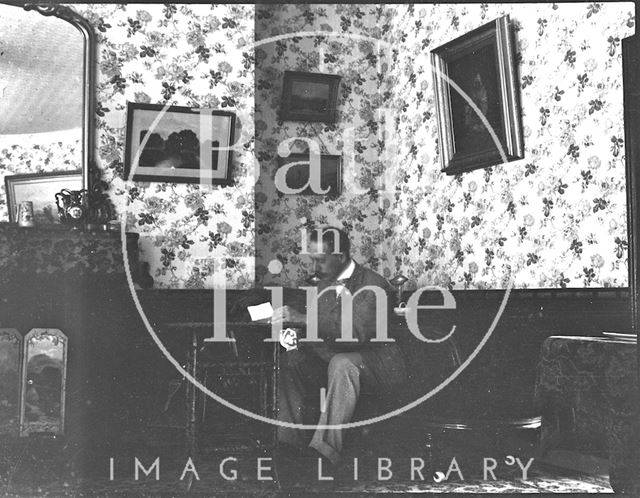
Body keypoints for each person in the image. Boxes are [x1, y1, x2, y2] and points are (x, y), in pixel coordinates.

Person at [272, 226, 407, 467]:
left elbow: (355, 335)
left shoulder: (374, 285)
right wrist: (296, 338)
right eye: (312, 260)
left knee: (342, 363)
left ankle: (324, 451)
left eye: (321, 261)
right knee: (290, 362)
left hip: (377, 365)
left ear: (341, 256)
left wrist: (303, 319)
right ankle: (290, 445)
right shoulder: (322, 284)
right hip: (334, 359)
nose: (314, 268)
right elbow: (320, 328)